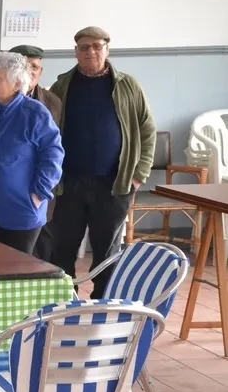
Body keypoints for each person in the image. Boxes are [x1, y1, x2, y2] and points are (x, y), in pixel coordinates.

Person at [47, 26, 156, 297]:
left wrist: (139, 173)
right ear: (76, 52)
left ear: (107, 48)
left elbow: (147, 129)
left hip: (113, 183)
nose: (90, 52)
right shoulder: (62, 85)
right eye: (84, 47)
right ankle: (63, 301)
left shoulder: (128, 86)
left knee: (107, 250)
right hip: (68, 183)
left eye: (96, 46)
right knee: (62, 247)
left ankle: (102, 304)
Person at [0, 52, 64, 254]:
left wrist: (38, 193)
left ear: (17, 84)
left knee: (17, 274)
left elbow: (53, 155)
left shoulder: (35, 113)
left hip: (21, 211)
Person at [6, 45, 64, 262]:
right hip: (8, 192)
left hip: (40, 190)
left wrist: (41, 190)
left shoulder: (52, 102)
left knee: (40, 252)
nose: (30, 72)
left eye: (35, 67)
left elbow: (55, 149)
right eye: (24, 66)